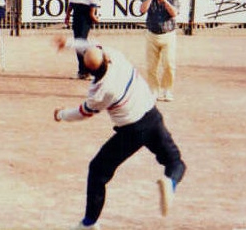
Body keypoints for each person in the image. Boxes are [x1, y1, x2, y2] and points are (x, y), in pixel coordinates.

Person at [53, 35, 187, 230]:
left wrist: (61, 115)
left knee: (98, 171)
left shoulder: (99, 91)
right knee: (175, 161)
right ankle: (170, 181)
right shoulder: (117, 57)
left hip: (131, 131)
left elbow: (83, 113)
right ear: (106, 58)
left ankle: (89, 223)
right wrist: (69, 43)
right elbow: (91, 47)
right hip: (152, 117)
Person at [140, 0, 180, 102]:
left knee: (169, 64)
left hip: (168, 35)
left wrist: (165, 1)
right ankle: (154, 90)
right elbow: (142, 10)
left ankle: (167, 90)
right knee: (151, 66)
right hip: (152, 35)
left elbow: (174, 13)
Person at [64, 0, 100, 80]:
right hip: (77, 10)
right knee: (77, 41)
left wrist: (92, 12)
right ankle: (82, 71)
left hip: (85, 11)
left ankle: (89, 70)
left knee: (82, 41)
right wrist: (68, 13)